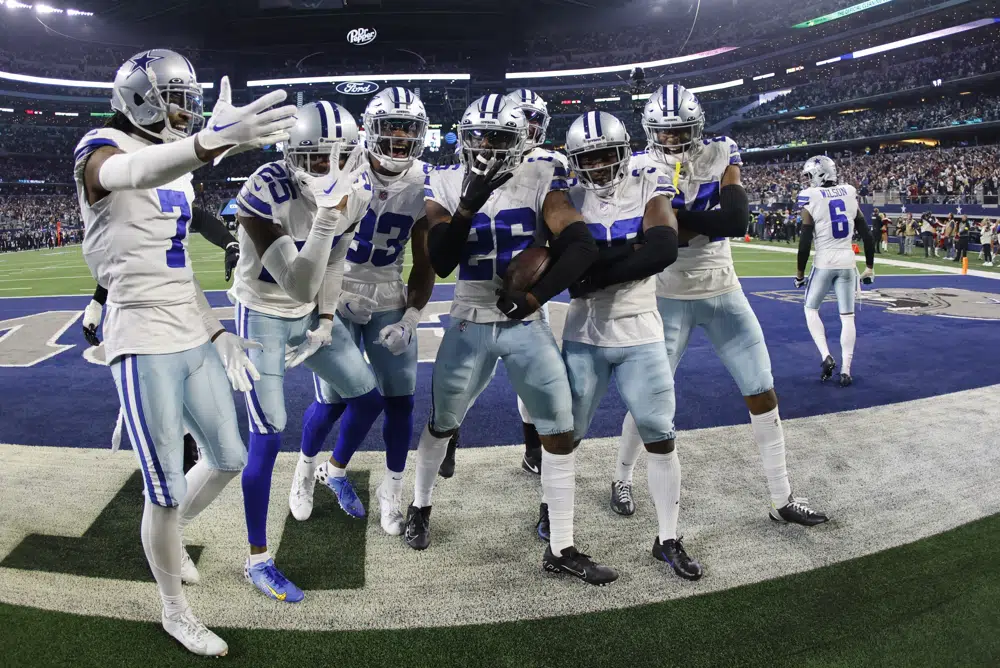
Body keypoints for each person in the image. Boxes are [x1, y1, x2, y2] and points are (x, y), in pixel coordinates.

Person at [74, 50, 295, 656]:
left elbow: (177, 269)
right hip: (141, 337)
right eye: (173, 97)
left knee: (227, 455)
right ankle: (174, 608)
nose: (184, 109)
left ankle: (166, 542)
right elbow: (129, 173)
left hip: (190, 331)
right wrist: (206, 142)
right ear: (141, 97)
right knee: (165, 488)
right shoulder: (101, 146)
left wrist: (218, 328)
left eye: (188, 99)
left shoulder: (180, 165)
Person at [410, 94, 616, 586]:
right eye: (478, 136)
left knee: (559, 428)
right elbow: (442, 260)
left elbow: (580, 244)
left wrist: (534, 297)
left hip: (524, 322)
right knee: (442, 423)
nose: (486, 146)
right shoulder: (442, 179)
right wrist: (468, 204)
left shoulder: (542, 176)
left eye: (499, 138)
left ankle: (562, 544)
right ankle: (420, 506)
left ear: (519, 141)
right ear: (463, 137)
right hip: (468, 319)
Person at [613, 84, 828, 531]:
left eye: (681, 131)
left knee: (761, 388)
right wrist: (676, 227)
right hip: (667, 297)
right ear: (651, 131)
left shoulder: (720, 152)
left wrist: (673, 221)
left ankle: (781, 496)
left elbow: (735, 221)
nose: (672, 141)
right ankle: (621, 477)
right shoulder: (638, 165)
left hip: (724, 290)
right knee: (648, 399)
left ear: (699, 126)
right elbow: (652, 233)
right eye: (664, 132)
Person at [231, 101, 381, 603]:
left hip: (307, 316)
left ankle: (329, 469)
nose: (330, 169)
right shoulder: (264, 189)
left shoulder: (358, 192)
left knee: (367, 395)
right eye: (317, 158)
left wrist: (323, 321)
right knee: (269, 434)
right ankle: (256, 559)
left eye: (340, 156)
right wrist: (323, 217)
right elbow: (296, 284)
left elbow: (334, 264)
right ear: (291, 155)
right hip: (263, 317)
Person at [289, 88, 436, 537]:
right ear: (368, 131)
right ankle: (306, 472)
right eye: (389, 126)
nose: (398, 136)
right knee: (334, 401)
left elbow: (426, 260)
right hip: (336, 289)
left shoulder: (426, 181)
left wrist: (411, 319)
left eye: (407, 128)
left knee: (401, 400)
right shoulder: (338, 168)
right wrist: (322, 300)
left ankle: (392, 492)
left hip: (388, 293)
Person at [563, 111, 700, 579]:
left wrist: (592, 271)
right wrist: (630, 253)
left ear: (623, 152)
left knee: (661, 436)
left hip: (642, 332)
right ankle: (557, 525)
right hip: (584, 335)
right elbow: (567, 269)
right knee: (566, 437)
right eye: (588, 158)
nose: (599, 166)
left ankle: (668, 539)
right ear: (576, 161)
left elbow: (663, 248)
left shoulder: (647, 182)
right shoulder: (568, 195)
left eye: (606, 155)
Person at [437, 88, 557, 480]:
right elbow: (439, 259)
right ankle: (448, 439)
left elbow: (571, 235)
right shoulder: (453, 176)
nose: (531, 126)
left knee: (536, 390)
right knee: (459, 390)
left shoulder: (551, 166)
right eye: (524, 117)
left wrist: (540, 282)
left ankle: (534, 450)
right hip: (473, 301)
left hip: (523, 298)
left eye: (534, 119)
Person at [795, 155, 875, 388]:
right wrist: (869, 266)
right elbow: (867, 234)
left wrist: (799, 274)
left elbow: (805, 240)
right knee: (847, 318)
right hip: (848, 263)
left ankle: (825, 355)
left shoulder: (811, 197)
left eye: (810, 175)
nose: (808, 180)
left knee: (810, 310)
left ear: (820, 173)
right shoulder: (849, 192)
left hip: (824, 263)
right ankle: (846, 370)